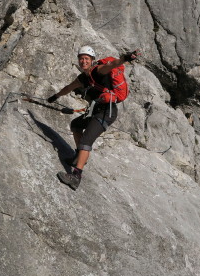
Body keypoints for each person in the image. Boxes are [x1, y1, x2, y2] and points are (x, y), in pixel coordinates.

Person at [47, 45, 139, 189]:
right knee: (76, 125)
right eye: (81, 58)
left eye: (86, 59)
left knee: (86, 141)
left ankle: (76, 176)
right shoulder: (83, 78)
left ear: (92, 60)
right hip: (96, 111)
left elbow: (112, 64)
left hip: (106, 113)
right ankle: (78, 156)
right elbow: (69, 88)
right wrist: (55, 96)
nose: (83, 61)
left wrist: (125, 58)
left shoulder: (98, 71)